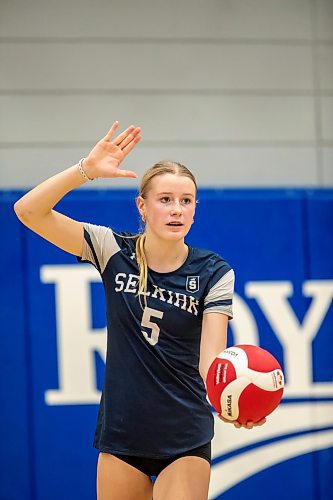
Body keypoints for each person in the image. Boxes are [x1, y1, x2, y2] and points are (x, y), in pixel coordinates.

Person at [14, 122, 266, 500]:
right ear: (142, 206)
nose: (177, 210)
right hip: (123, 433)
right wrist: (85, 169)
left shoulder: (215, 272)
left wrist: (233, 402)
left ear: (196, 209)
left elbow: (209, 360)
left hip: (184, 434)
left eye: (186, 201)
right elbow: (28, 210)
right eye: (165, 199)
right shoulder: (110, 248)